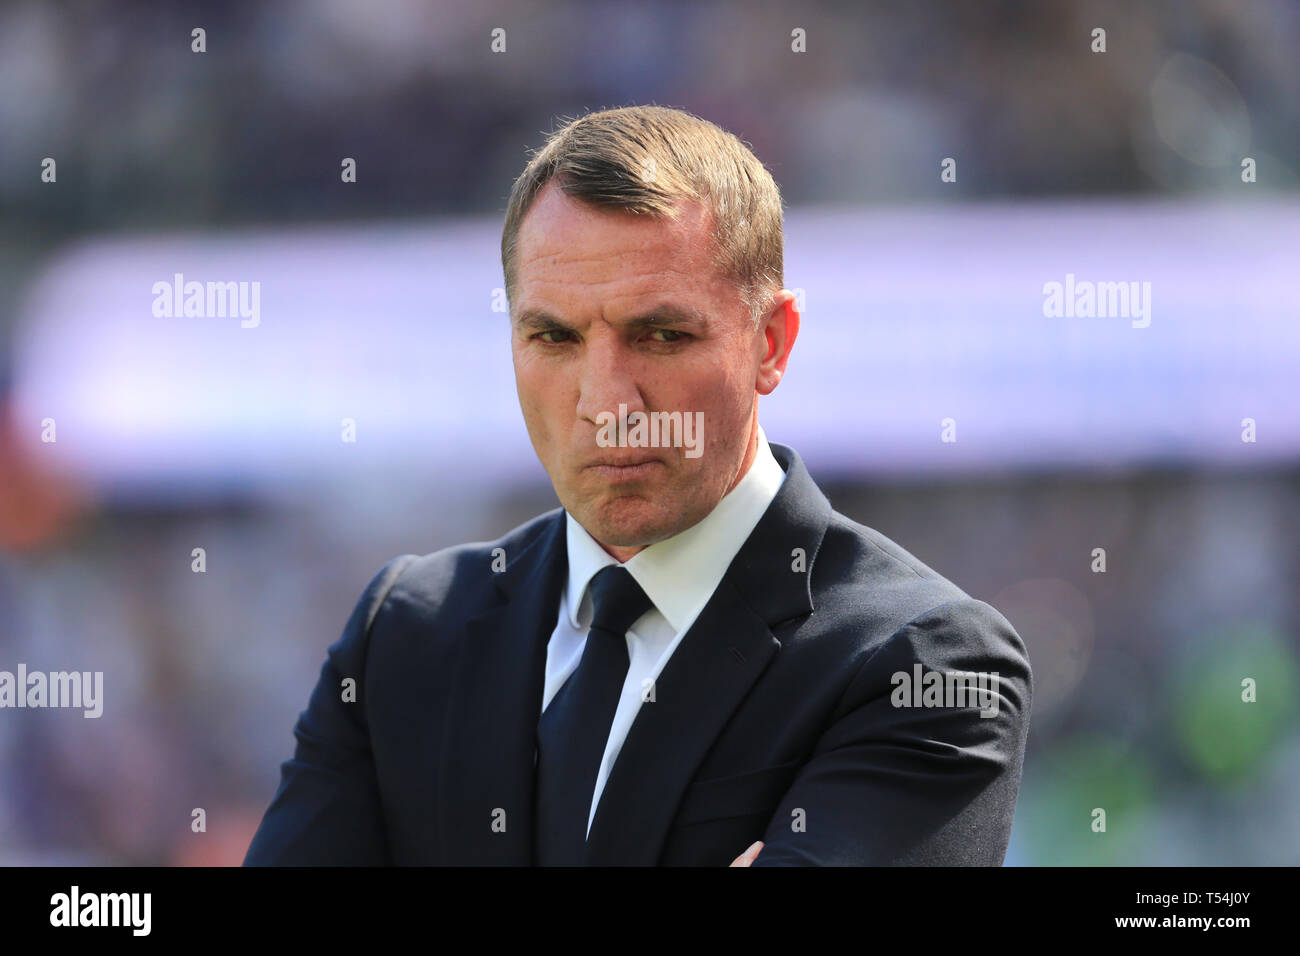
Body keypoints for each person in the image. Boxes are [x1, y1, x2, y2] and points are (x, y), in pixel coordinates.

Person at [244, 105, 1032, 866]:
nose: (607, 403)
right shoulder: (406, 635)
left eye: (661, 335)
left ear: (771, 342)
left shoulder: (928, 663)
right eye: (554, 336)